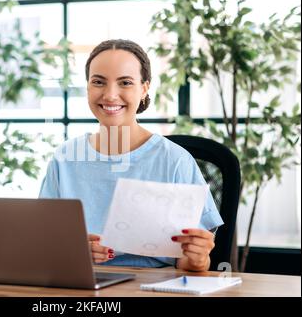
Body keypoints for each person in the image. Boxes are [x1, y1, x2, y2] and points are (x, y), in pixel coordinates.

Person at [39, 39, 223, 272]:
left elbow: (190, 262)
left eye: (125, 82)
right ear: (87, 87)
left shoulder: (176, 161)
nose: (110, 95)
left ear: (144, 88)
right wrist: (73, 251)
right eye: (98, 82)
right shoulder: (64, 159)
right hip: (81, 286)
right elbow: (45, 245)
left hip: (152, 288)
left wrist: (198, 258)